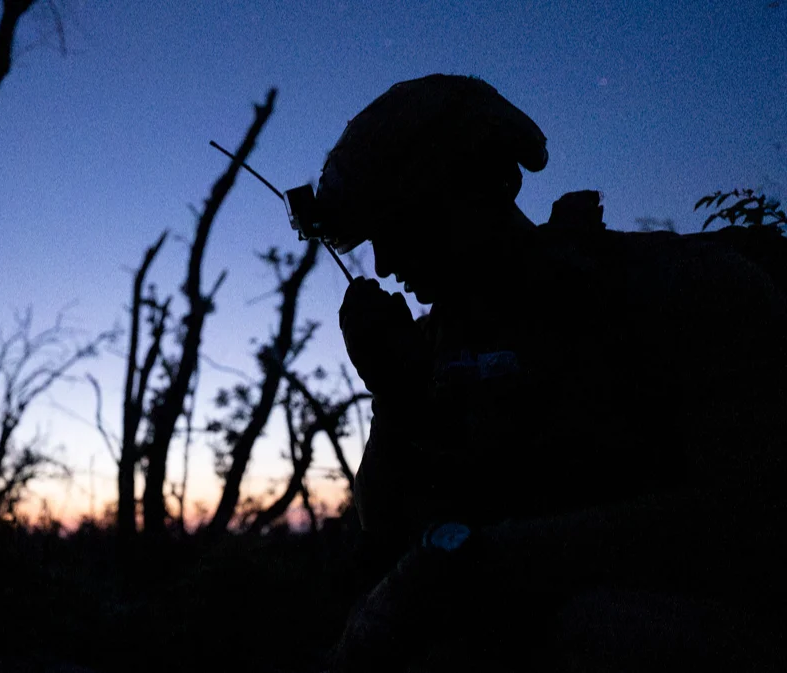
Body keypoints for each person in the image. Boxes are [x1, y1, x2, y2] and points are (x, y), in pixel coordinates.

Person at [322, 74, 787, 672]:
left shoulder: (682, 288)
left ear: (479, 187)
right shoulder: (433, 349)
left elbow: (755, 515)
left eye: (403, 229)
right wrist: (395, 399)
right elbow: (386, 538)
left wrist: (486, 558)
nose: (385, 265)